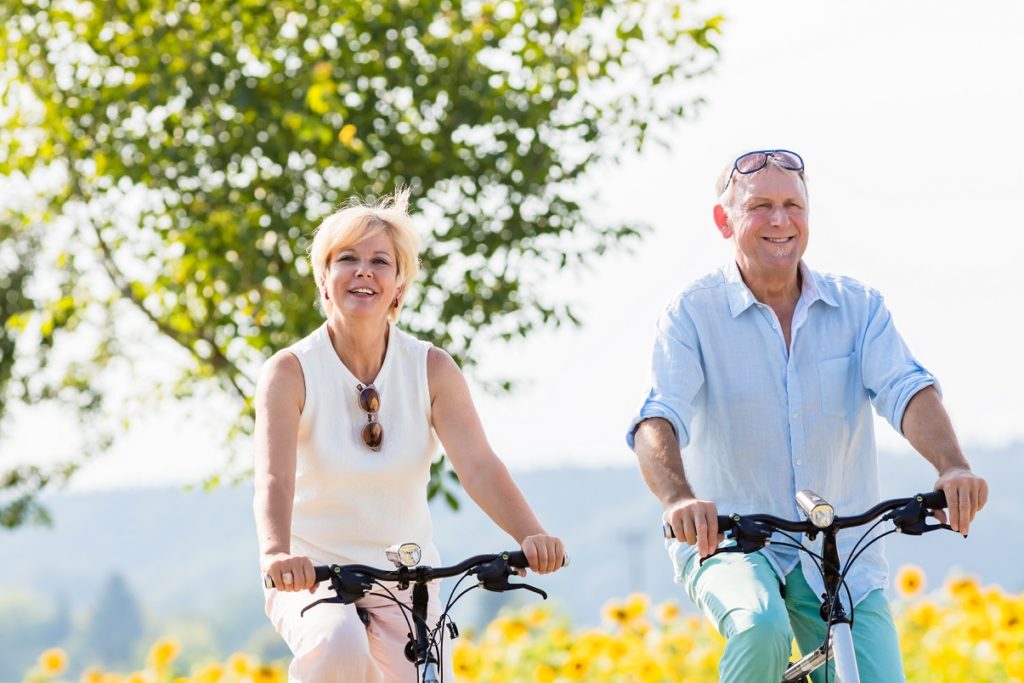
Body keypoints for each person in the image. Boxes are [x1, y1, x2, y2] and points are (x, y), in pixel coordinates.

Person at [627, 149, 988, 682]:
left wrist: (952, 465)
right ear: (724, 220)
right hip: (730, 543)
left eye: (793, 204)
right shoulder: (691, 313)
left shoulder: (859, 307)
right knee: (760, 628)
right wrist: (679, 498)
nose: (780, 220)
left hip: (838, 553)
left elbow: (905, 388)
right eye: (761, 206)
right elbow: (659, 418)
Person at [254, 189, 565, 682]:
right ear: (324, 279)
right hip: (314, 577)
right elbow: (274, 477)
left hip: (408, 577)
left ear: (398, 285)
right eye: (347, 259)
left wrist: (530, 533)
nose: (363, 271)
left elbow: (479, 466)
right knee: (338, 643)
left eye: (380, 261)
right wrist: (276, 554)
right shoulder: (290, 371)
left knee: (425, 673)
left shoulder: (432, 368)